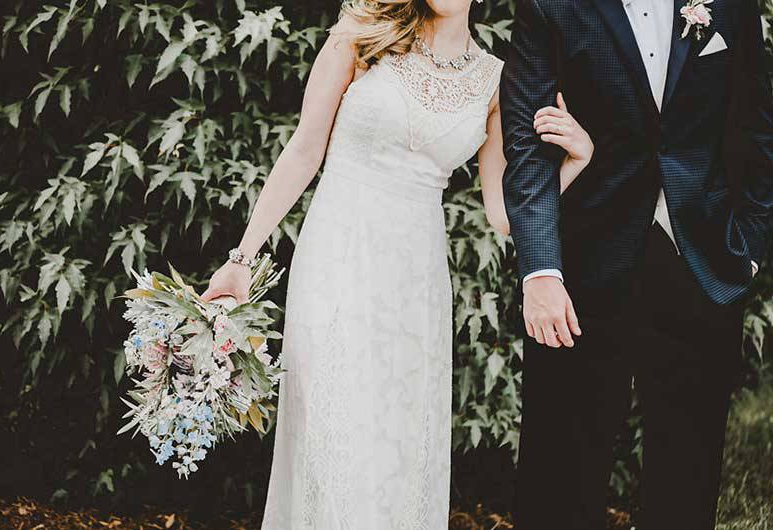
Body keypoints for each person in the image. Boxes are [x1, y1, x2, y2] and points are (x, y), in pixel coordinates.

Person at [202, 0, 593, 528]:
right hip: (337, 258)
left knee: (396, 445)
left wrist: (577, 160)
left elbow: (503, 214)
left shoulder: (496, 80)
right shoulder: (360, 37)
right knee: (330, 437)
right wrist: (241, 259)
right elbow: (303, 150)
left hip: (415, 281)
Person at [501, 0, 773, 528]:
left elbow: (756, 127)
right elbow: (527, 144)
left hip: (700, 260)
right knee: (560, 474)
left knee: (688, 476)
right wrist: (540, 272)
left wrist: (751, 248)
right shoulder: (550, 6)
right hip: (580, 270)